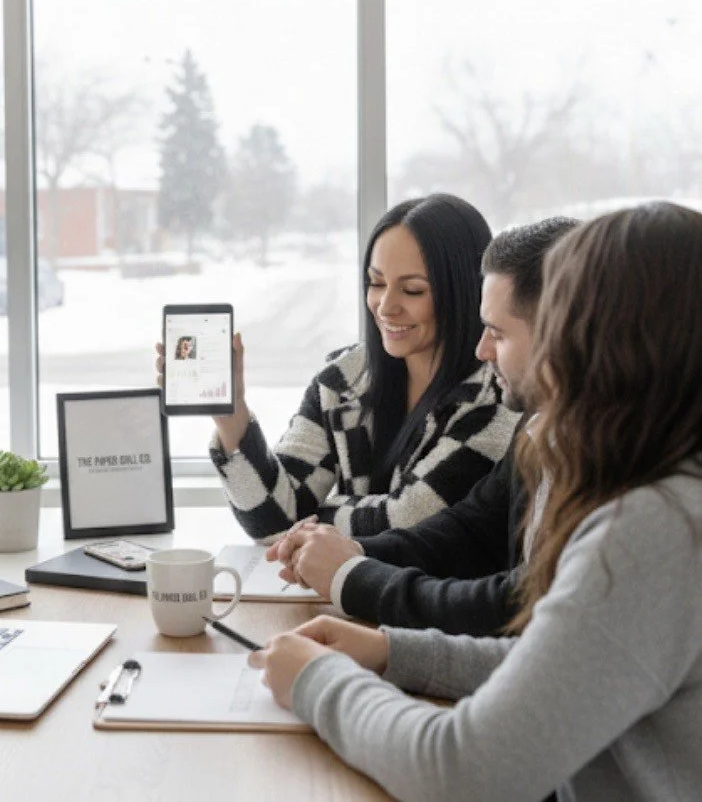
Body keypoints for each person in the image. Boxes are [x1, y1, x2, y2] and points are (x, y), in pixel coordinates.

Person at [252, 201, 702, 801]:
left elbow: (461, 771)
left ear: (608, 345)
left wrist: (319, 682)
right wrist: (393, 651)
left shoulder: (655, 528)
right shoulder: (654, 488)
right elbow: (558, 665)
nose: (487, 352)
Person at [267, 217, 578, 635]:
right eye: (376, 283)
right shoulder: (543, 426)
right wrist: (355, 549)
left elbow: (520, 604)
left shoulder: (616, 459)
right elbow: (470, 529)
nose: (482, 350)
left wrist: (349, 574)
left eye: (497, 334)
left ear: (560, 334)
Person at [181, 194, 519, 540]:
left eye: (412, 290)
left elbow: (410, 521)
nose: (386, 307)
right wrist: (231, 415)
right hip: (344, 589)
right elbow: (271, 516)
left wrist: (304, 519)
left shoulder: (498, 399)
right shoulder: (343, 380)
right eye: (376, 283)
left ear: (465, 291)